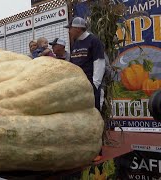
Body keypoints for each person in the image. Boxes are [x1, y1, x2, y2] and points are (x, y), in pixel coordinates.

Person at [65, 17, 105, 161]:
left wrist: (95, 84)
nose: (69, 31)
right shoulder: (75, 43)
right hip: (78, 87)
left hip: (90, 86)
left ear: (77, 28)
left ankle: (98, 152)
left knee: (94, 118)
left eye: (70, 29)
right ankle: (83, 151)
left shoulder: (93, 41)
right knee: (80, 119)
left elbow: (99, 62)